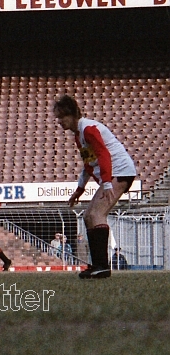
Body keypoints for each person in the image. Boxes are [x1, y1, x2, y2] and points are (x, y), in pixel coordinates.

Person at [55, 95, 136, 279]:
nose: (59, 122)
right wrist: (79, 189)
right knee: (88, 216)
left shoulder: (89, 129)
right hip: (114, 173)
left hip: (120, 171)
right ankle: (98, 265)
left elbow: (104, 155)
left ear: (73, 114)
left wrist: (107, 183)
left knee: (96, 214)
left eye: (62, 117)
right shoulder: (80, 134)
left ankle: (102, 266)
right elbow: (89, 164)